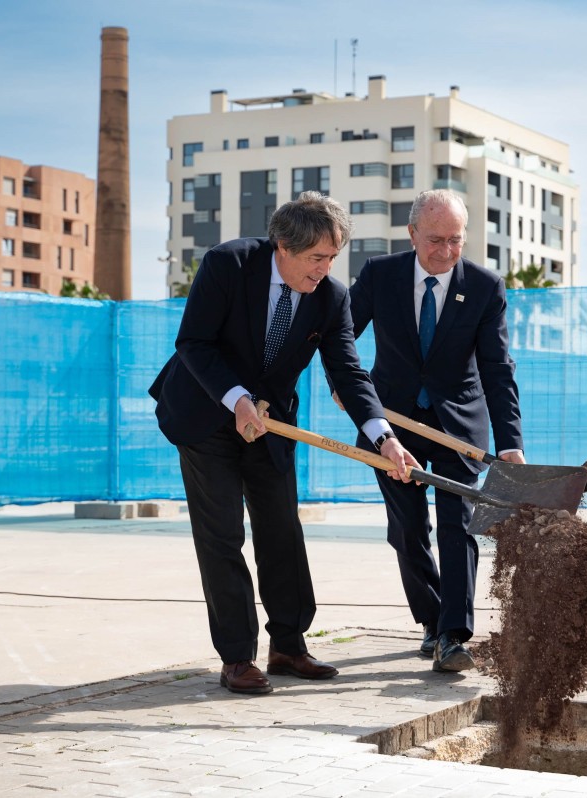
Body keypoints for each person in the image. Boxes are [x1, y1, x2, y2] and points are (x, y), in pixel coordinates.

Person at [149, 191, 414, 695]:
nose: (324, 270)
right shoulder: (228, 265)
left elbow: (350, 373)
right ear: (282, 247)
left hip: (271, 423)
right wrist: (237, 399)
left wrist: (384, 437)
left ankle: (288, 645)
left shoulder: (332, 298)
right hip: (206, 412)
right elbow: (194, 343)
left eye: (332, 258)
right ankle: (236, 656)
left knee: (281, 531)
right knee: (223, 533)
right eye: (316, 258)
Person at [339, 189, 525, 672]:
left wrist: (510, 444)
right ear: (412, 234)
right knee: (407, 529)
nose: (445, 251)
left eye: (455, 241)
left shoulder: (485, 287)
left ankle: (453, 635)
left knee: (458, 525)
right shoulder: (381, 275)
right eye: (435, 240)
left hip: (458, 425)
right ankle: (430, 619)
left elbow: (497, 369)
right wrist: (348, 388)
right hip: (390, 423)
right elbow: (341, 337)